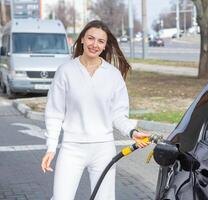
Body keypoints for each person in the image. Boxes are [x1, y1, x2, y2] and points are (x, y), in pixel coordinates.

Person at [40, 20, 150, 200]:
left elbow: (118, 114)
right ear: (82, 39)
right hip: (71, 148)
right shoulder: (65, 71)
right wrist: (51, 147)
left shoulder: (113, 75)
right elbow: (54, 112)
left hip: (103, 149)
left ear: (105, 45)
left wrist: (131, 131)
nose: (94, 44)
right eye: (91, 38)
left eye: (100, 41)